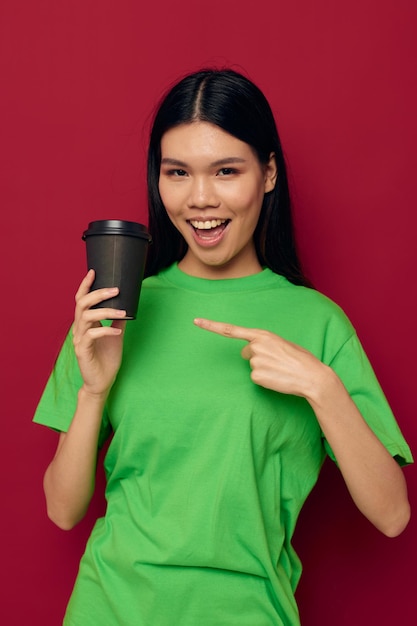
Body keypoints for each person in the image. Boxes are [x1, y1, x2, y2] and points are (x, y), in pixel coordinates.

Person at [34, 68, 413, 626]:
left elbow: (393, 515)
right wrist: (93, 391)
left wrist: (321, 386)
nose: (200, 198)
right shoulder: (116, 310)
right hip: (109, 606)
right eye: (178, 173)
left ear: (268, 174)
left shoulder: (317, 322)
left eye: (227, 170)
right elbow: (63, 511)